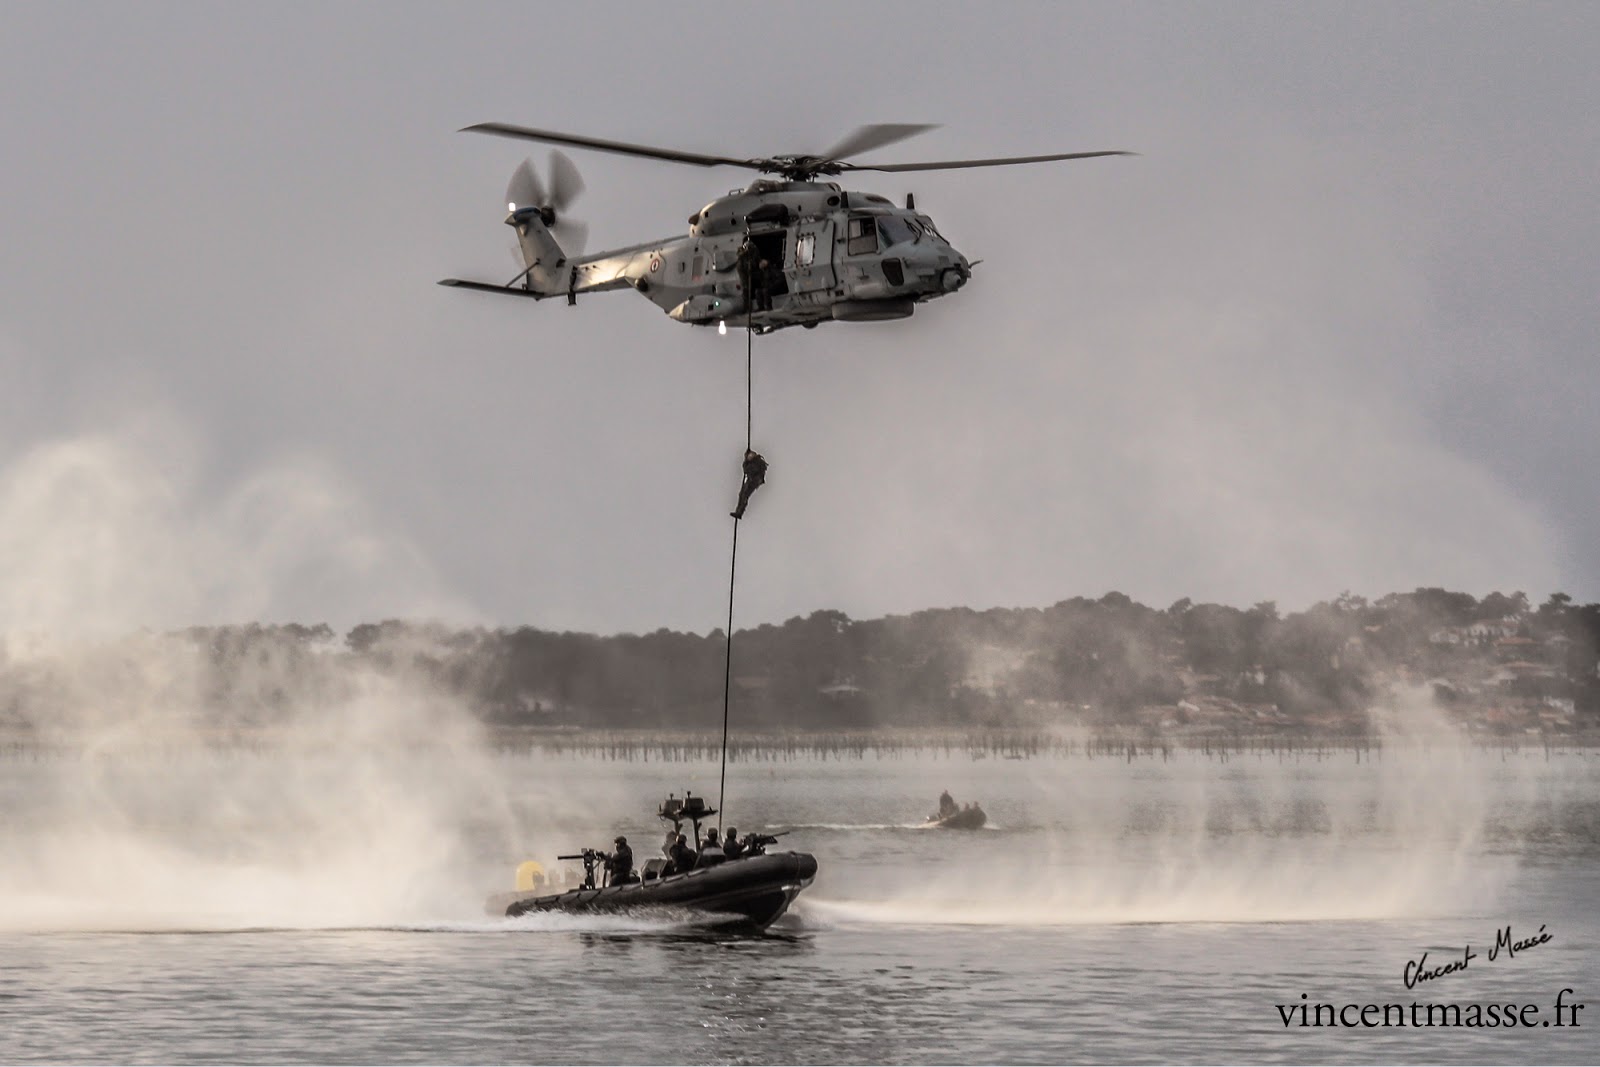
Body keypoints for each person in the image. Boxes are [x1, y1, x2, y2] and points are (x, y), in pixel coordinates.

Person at [731, 449, 767, 519]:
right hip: (752, 480)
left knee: (745, 494)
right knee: (742, 494)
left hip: (755, 480)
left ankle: (739, 512)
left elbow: (749, 470)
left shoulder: (757, 462)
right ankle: (738, 511)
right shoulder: (751, 463)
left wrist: (746, 464)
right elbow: (746, 470)